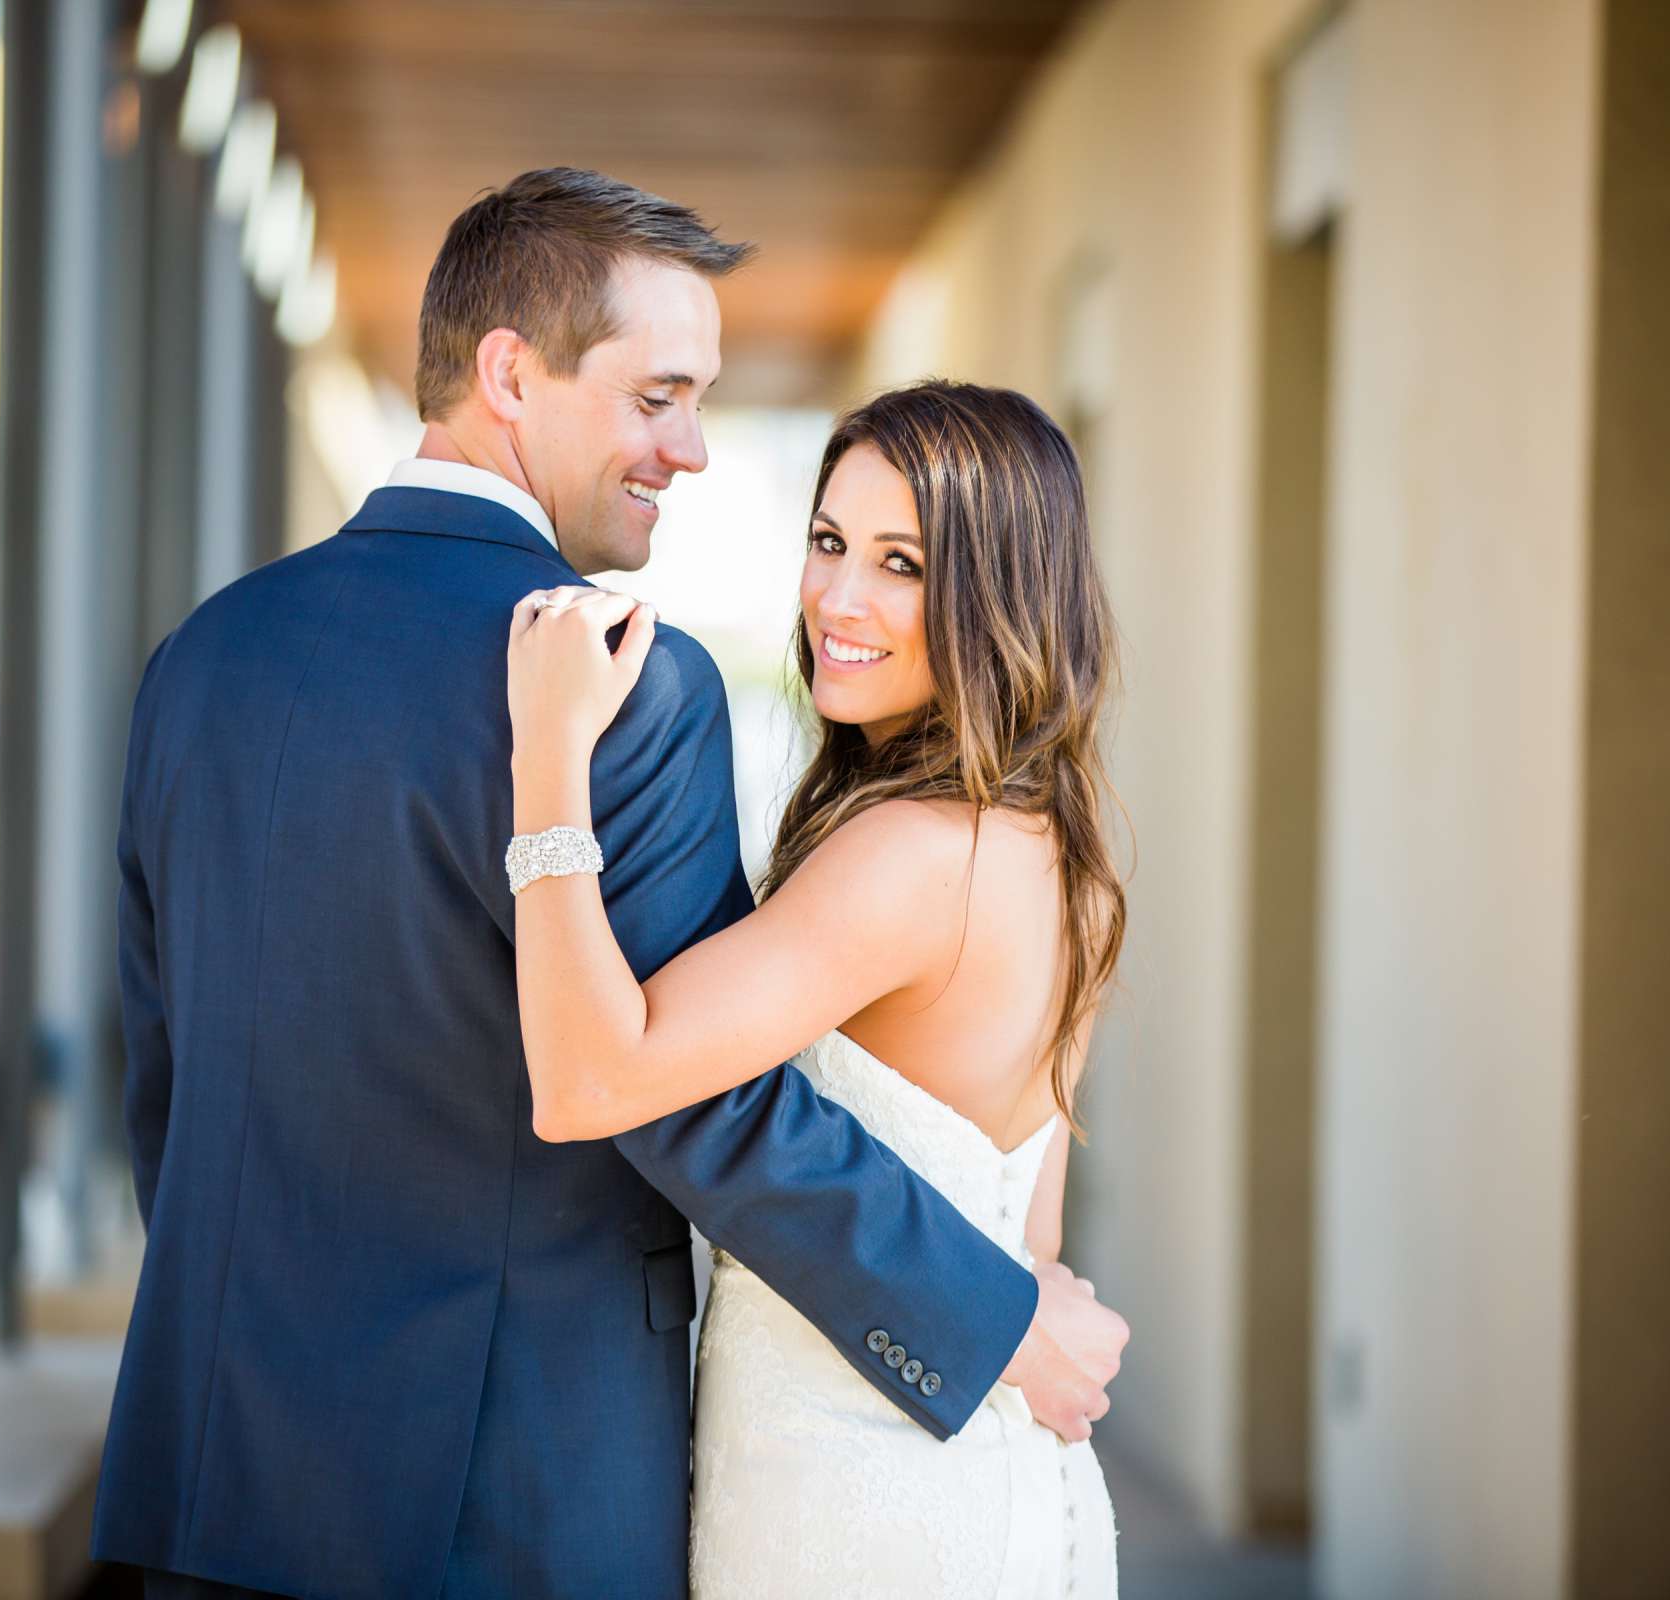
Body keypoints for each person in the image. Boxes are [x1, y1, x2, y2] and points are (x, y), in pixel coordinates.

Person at [91, 169, 1127, 1600]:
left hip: (226, 1476)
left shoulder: (200, 664)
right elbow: (694, 1102)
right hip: (519, 1491)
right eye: (659, 397)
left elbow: (165, 1078)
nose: (692, 450)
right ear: (512, 375)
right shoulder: (627, 683)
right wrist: (985, 1316)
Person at [507, 379, 1128, 1596]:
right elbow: (1029, 1234)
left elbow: (591, 1076)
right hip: (994, 1491)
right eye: (831, 541)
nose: (840, 597)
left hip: (854, 1504)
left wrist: (546, 760)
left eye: (903, 563)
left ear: (997, 594)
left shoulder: (912, 855)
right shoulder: (1062, 854)